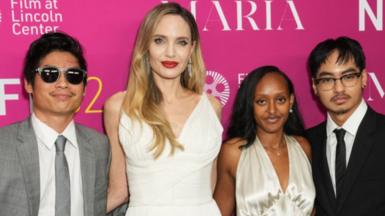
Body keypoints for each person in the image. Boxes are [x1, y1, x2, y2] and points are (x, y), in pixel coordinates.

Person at [104, 2, 222, 216]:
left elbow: (210, 186)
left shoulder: (212, 107)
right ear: (145, 47)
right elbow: (119, 191)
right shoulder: (119, 107)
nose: (170, 52)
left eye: (181, 42)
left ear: (191, 49)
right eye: (159, 40)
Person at [0, 32, 110, 216]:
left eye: (73, 76)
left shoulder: (100, 146)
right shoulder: (3, 145)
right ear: (28, 83)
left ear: (83, 87)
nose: (63, 83)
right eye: (50, 74)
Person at [214, 65, 315, 216]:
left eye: (280, 99)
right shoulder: (234, 153)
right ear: (250, 104)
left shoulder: (303, 147)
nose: (272, 110)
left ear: (291, 101)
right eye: (262, 101)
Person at [306, 36, 385, 216]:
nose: (339, 89)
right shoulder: (305, 143)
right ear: (314, 86)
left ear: (363, 77)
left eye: (348, 77)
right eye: (327, 80)